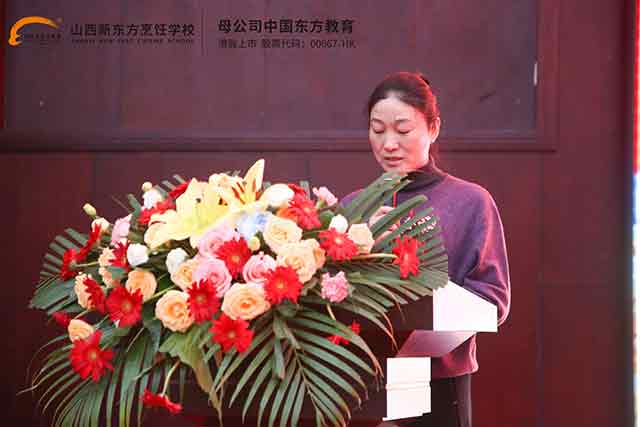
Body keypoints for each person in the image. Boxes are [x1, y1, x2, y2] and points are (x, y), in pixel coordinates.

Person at [341, 71, 511, 427]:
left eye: (403, 130)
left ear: (433, 129)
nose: (388, 143)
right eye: (377, 129)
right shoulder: (353, 207)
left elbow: (493, 300)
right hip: (356, 383)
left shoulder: (471, 202)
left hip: (440, 385)